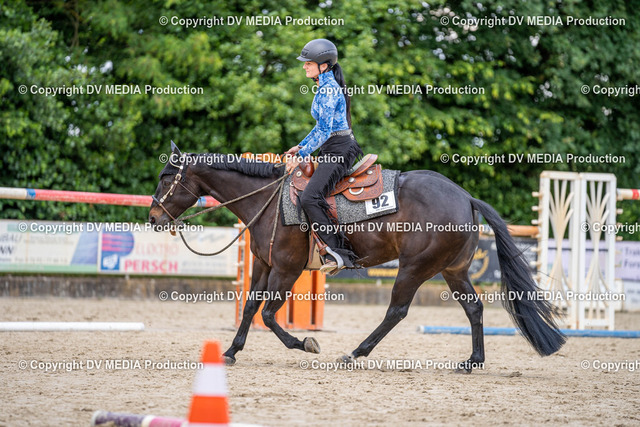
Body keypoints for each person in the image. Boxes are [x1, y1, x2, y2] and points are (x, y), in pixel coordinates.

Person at [285, 38, 363, 273]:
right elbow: (319, 127)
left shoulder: (328, 90)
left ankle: (338, 253)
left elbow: (325, 131)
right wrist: (300, 146)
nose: (304, 66)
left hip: (339, 150)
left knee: (310, 198)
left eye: (308, 63)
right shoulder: (323, 86)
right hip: (331, 148)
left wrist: (302, 154)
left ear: (324, 65)